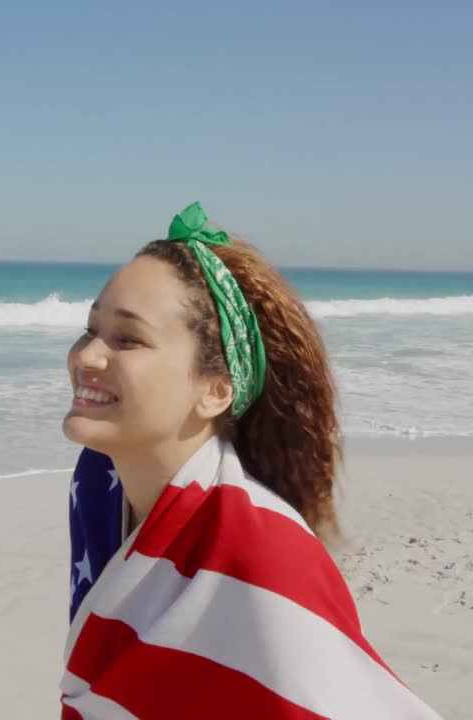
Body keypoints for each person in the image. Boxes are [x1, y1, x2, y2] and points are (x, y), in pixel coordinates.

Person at [61, 203, 441, 719]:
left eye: (127, 338)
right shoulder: (99, 485)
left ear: (216, 391)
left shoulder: (263, 557)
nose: (85, 356)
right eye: (90, 329)